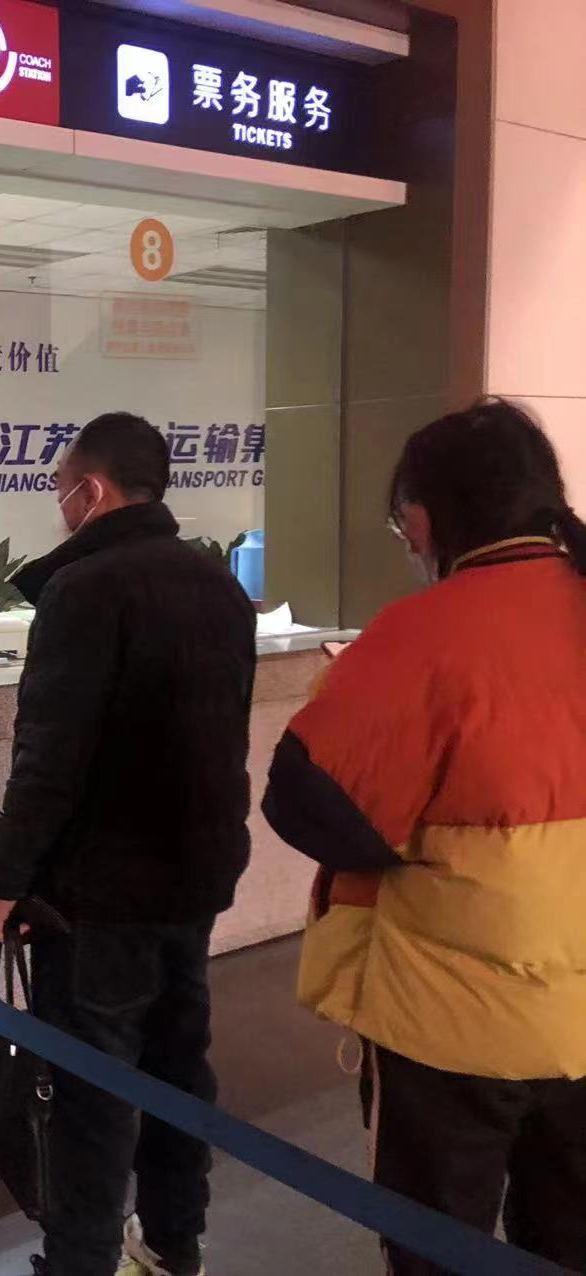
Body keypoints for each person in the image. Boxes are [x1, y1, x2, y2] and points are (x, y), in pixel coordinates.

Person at [263, 399, 586, 1275]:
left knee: (438, 1249)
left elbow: (305, 801)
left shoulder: (421, 633)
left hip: (453, 1025)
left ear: (420, 519)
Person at [0, 413, 256, 1276]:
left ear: (91, 490)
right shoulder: (216, 584)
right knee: (177, 1069)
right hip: (194, 875)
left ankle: (81, 1261)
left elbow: (51, 758)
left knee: (90, 1093)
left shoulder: (85, 590)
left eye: (62, 487)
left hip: (100, 892)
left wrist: (5, 870)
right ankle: (174, 1242)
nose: (58, 503)